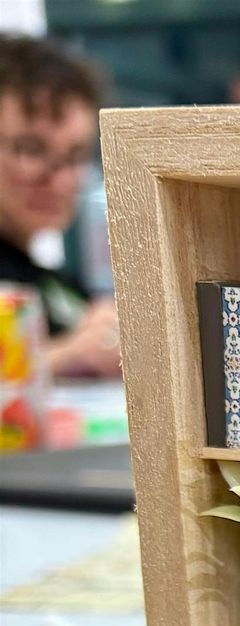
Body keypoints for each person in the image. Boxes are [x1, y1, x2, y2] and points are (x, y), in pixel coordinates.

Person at [0, 33, 120, 378]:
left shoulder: (55, 284)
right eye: (32, 148)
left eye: (75, 155)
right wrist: (67, 356)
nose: (61, 179)